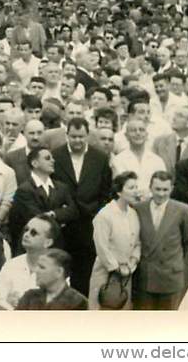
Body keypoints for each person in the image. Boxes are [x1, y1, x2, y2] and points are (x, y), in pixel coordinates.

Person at [51, 117, 112, 295]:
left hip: (90, 224)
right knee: (61, 268)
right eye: (74, 136)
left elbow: (106, 190)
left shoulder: (99, 157)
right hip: (63, 225)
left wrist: (97, 213)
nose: (77, 140)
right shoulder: (56, 155)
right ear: (67, 135)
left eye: (81, 137)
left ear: (87, 136)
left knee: (86, 272)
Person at [132, 171, 188, 310]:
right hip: (146, 277)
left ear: (171, 189)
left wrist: (180, 270)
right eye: (157, 189)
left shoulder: (183, 210)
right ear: (150, 188)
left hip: (171, 277)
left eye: (165, 189)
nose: (161, 194)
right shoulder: (138, 208)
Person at [87, 171, 141, 310]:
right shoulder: (105, 215)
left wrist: (132, 263)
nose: (135, 191)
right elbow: (101, 246)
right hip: (105, 274)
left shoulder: (133, 213)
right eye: (131, 188)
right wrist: (116, 268)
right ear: (119, 192)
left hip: (127, 273)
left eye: (136, 187)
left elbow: (137, 242)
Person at [8, 147, 77, 252]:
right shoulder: (24, 190)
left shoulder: (62, 187)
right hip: (33, 247)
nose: (52, 161)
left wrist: (53, 214)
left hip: (58, 246)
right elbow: (36, 218)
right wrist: (61, 215)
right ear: (35, 163)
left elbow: (73, 211)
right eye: (47, 158)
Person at [0, 213, 60, 309]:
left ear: (48, 242)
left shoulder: (57, 272)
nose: (26, 234)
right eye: (26, 230)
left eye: (33, 233)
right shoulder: (11, 265)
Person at [15, 249, 89, 310]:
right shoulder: (29, 297)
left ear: (59, 272)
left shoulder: (77, 302)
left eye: (42, 267)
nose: (36, 270)